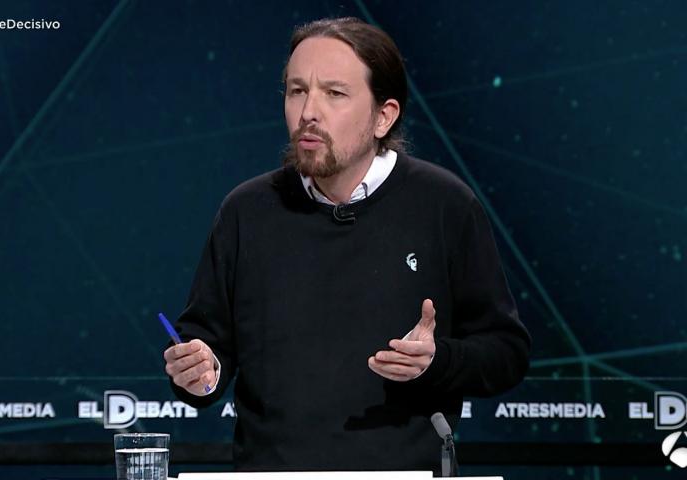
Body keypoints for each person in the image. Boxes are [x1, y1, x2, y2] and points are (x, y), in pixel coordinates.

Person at [164, 17, 530, 472]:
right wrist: (200, 371)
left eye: (334, 93)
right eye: (297, 91)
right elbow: (205, 351)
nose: (308, 112)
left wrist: (437, 361)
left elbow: (506, 353)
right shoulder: (247, 210)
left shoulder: (444, 205)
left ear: (383, 116)